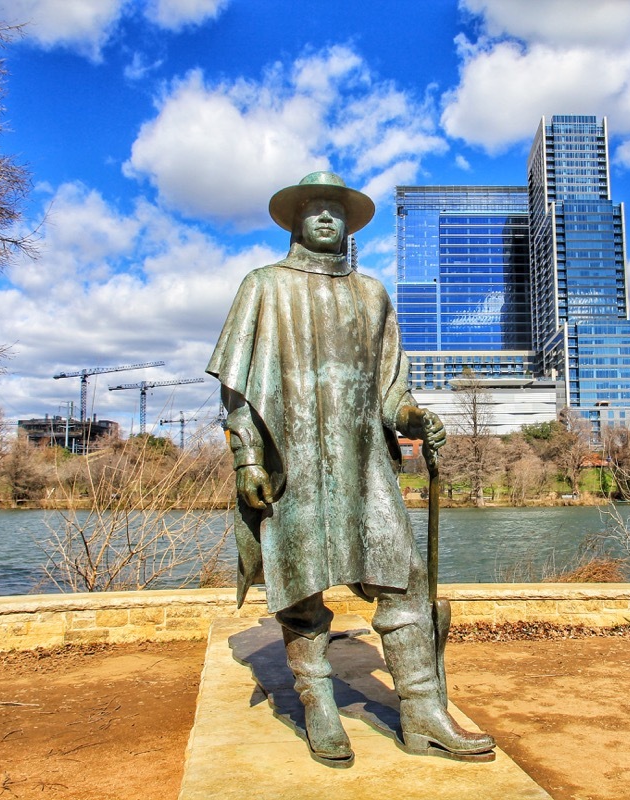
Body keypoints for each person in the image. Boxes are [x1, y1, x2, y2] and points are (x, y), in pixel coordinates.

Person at [206, 171, 495, 768]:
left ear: (349, 224)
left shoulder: (372, 294)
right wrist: (247, 458)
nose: (326, 219)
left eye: (336, 211)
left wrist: (414, 417)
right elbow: (238, 391)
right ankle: (318, 705)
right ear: (294, 220)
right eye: (314, 209)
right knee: (301, 585)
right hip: (294, 462)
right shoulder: (263, 286)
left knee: (405, 578)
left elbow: (392, 389)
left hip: (363, 465)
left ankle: (422, 712)